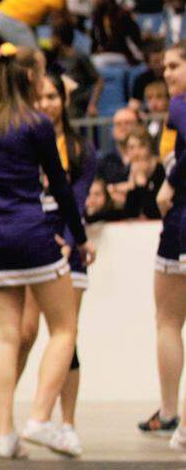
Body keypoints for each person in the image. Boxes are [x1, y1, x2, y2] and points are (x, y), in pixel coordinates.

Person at [0, 44, 94, 459]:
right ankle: (40, 418)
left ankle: (4, 434)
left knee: (4, 337)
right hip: (31, 231)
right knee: (64, 328)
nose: (44, 81)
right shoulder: (36, 124)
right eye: (40, 73)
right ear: (28, 77)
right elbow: (60, 186)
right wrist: (81, 237)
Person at [15, 72, 98, 457]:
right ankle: (7, 424)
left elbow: (75, 199)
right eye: (39, 97)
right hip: (32, 241)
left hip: (67, 246)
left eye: (52, 97)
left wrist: (68, 239)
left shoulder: (81, 148)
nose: (46, 104)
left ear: (63, 101)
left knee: (66, 334)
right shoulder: (22, 142)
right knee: (23, 333)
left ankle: (66, 424)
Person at [146, 41, 186, 440]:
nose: (167, 73)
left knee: (169, 320)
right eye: (165, 67)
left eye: (175, 65)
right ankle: (172, 413)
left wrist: (169, 183)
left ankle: (176, 414)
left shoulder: (180, 105)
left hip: (181, 223)